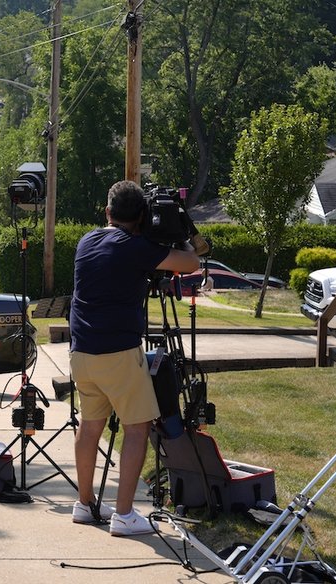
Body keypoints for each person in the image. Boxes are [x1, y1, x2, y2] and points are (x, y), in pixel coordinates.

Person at [69, 180, 200, 537]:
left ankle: (84, 503)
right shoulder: (137, 248)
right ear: (141, 217)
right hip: (118, 354)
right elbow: (190, 263)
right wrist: (182, 230)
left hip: (81, 352)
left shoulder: (86, 242)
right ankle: (124, 515)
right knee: (137, 428)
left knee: (90, 426)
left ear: (108, 212)